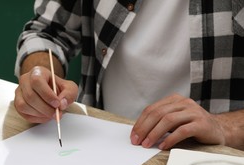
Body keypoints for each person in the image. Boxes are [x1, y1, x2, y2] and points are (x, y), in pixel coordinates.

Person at [13, 0, 244, 151]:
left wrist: (224, 127)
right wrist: (39, 74)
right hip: (96, 145)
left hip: (212, 163)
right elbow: (48, 31)